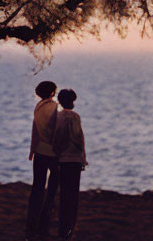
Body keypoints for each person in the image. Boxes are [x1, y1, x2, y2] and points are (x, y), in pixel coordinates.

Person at [52, 89, 87, 241]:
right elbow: (80, 140)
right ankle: (70, 225)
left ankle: (64, 226)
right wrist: (82, 159)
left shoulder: (59, 118)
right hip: (75, 160)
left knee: (65, 194)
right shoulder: (75, 117)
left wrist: (56, 153)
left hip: (63, 160)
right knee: (73, 194)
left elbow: (58, 138)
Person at [26, 80, 59, 240]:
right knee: (52, 188)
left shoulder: (38, 107)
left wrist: (32, 149)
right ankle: (45, 219)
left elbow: (35, 130)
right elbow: (55, 131)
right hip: (52, 152)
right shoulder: (54, 107)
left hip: (39, 151)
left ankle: (31, 221)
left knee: (37, 187)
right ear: (52, 92)